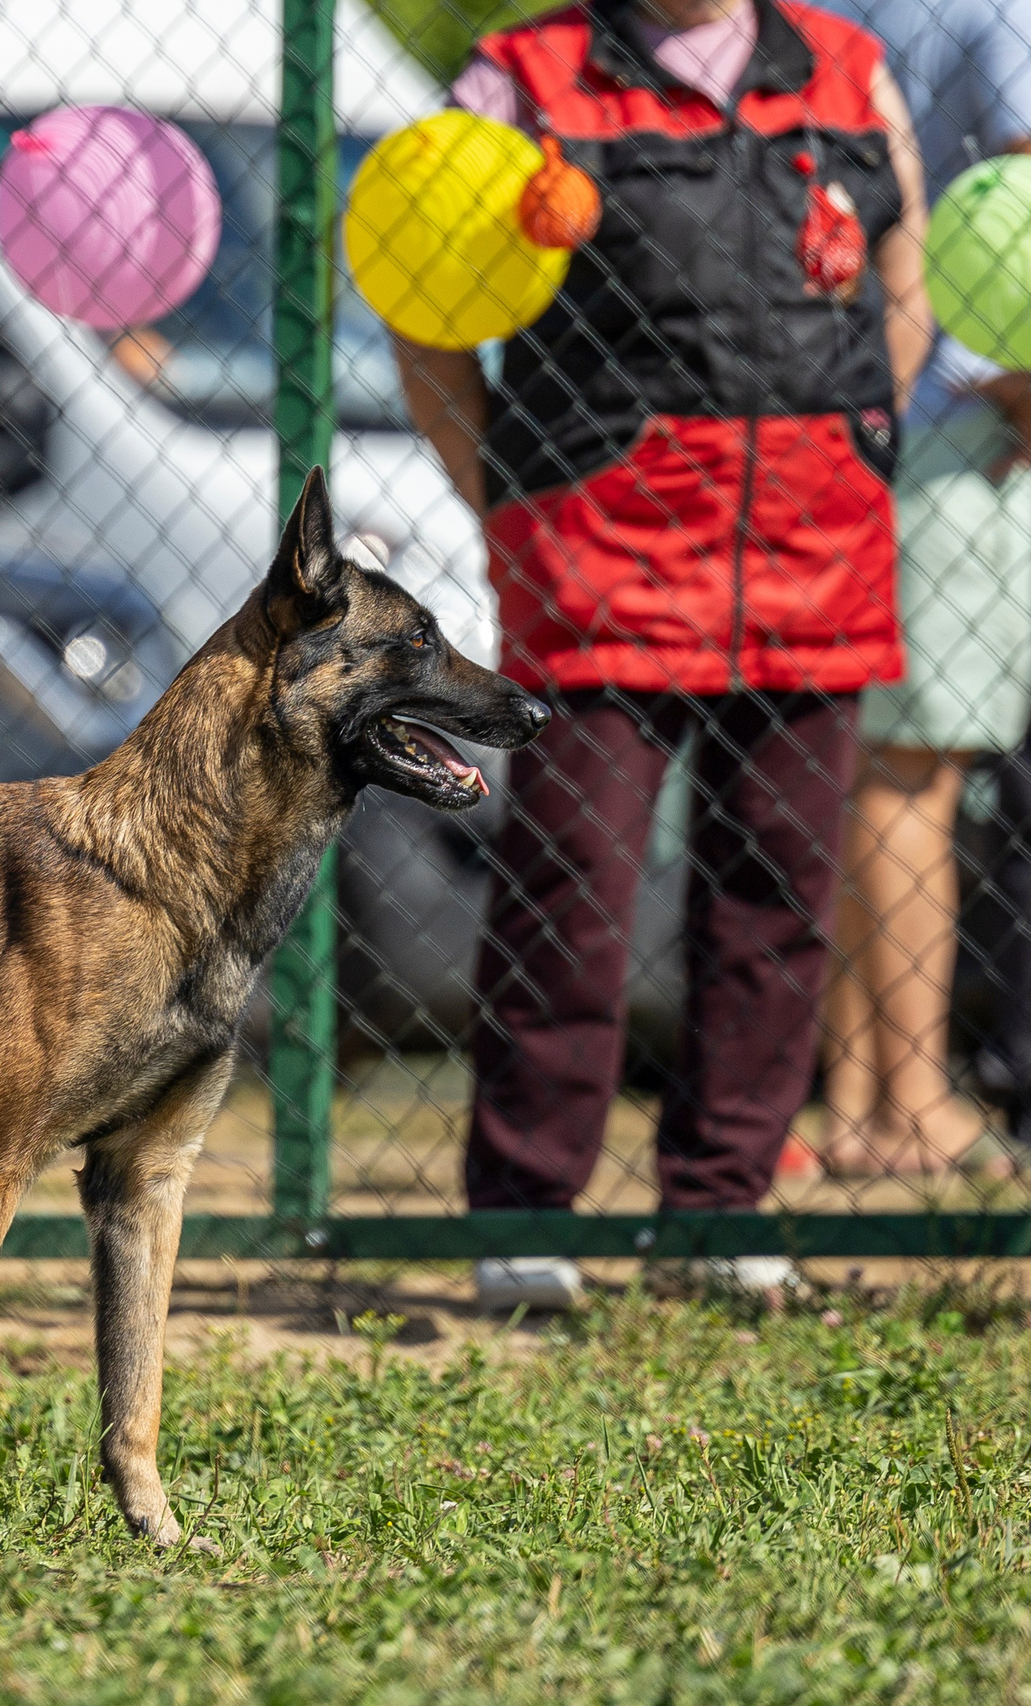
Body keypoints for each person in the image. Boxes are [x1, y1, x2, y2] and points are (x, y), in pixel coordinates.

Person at [393, 0, 933, 1310]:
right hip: (600, 569)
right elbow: (424, 309)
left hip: (812, 568)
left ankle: (720, 1206)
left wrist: (857, 445)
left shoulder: (852, 70)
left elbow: (902, 287)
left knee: (778, 904)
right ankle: (521, 1212)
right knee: (566, 898)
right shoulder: (523, 78)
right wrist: (502, 498)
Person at [812, 0, 1031, 1178]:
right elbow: (1025, 199)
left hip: (856, 411)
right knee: (915, 780)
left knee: (865, 774)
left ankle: (856, 1105)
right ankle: (912, 1105)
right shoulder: (996, 11)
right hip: (959, 421)